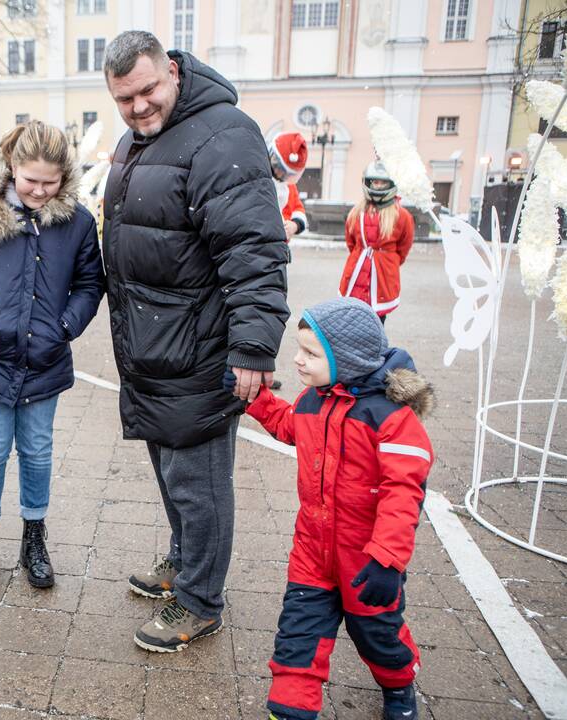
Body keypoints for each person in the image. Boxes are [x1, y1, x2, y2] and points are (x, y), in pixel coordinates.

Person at [100, 30, 290, 652]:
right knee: (172, 472)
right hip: (155, 348)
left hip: (201, 350)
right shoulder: (137, 140)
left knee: (199, 483)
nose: (138, 107)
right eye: (124, 98)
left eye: (148, 89)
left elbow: (254, 250)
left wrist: (253, 349)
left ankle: (201, 600)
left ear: (174, 72)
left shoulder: (223, 133)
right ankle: (184, 564)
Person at [231, 297, 433, 720]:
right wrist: (254, 398)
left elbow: (404, 493)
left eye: (310, 353)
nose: (298, 361)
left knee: (378, 637)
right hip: (313, 553)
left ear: (347, 358)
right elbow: (290, 427)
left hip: (367, 561)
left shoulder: (390, 417)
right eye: (299, 350)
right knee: (298, 635)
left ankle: (399, 686)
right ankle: (290, 710)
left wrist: (388, 561)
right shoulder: (313, 400)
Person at [0, 121, 104, 591]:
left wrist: (65, 327)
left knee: (37, 450)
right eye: (30, 179)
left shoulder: (76, 222)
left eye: (49, 182)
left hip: (46, 358)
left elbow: (90, 284)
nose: (38, 190)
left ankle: (34, 535)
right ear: (12, 168)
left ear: (64, 177)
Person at [339, 161, 415, 324]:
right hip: (357, 270)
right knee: (352, 318)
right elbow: (351, 243)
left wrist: (388, 262)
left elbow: (403, 247)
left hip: (382, 276)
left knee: (376, 321)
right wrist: (360, 255)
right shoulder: (356, 212)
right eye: (375, 182)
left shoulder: (402, 216)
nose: (378, 186)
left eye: (383, 182)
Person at [268, 131, 309, 242]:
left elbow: (298, 208)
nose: (282, 175)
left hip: (280, 246)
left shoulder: (289, 186)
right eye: (280, 169)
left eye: (288, 174)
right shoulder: (261, 180)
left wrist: (295, 225)